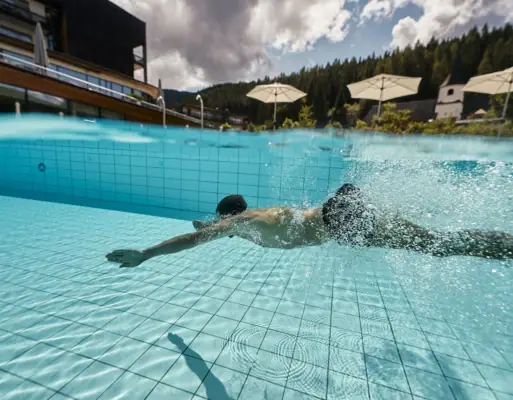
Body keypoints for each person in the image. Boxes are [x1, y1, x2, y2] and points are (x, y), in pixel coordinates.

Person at [106, 184, 513, 268]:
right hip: (339, 208)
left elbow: (196, 239)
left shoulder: (241, 222)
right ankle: (503, 243)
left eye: (220, 222)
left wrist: (147, 253)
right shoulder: (249, 220)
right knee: (433, 242)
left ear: (227, 217)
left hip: (338, 218)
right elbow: (208, 230)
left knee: (435, 246)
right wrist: (210, 224)